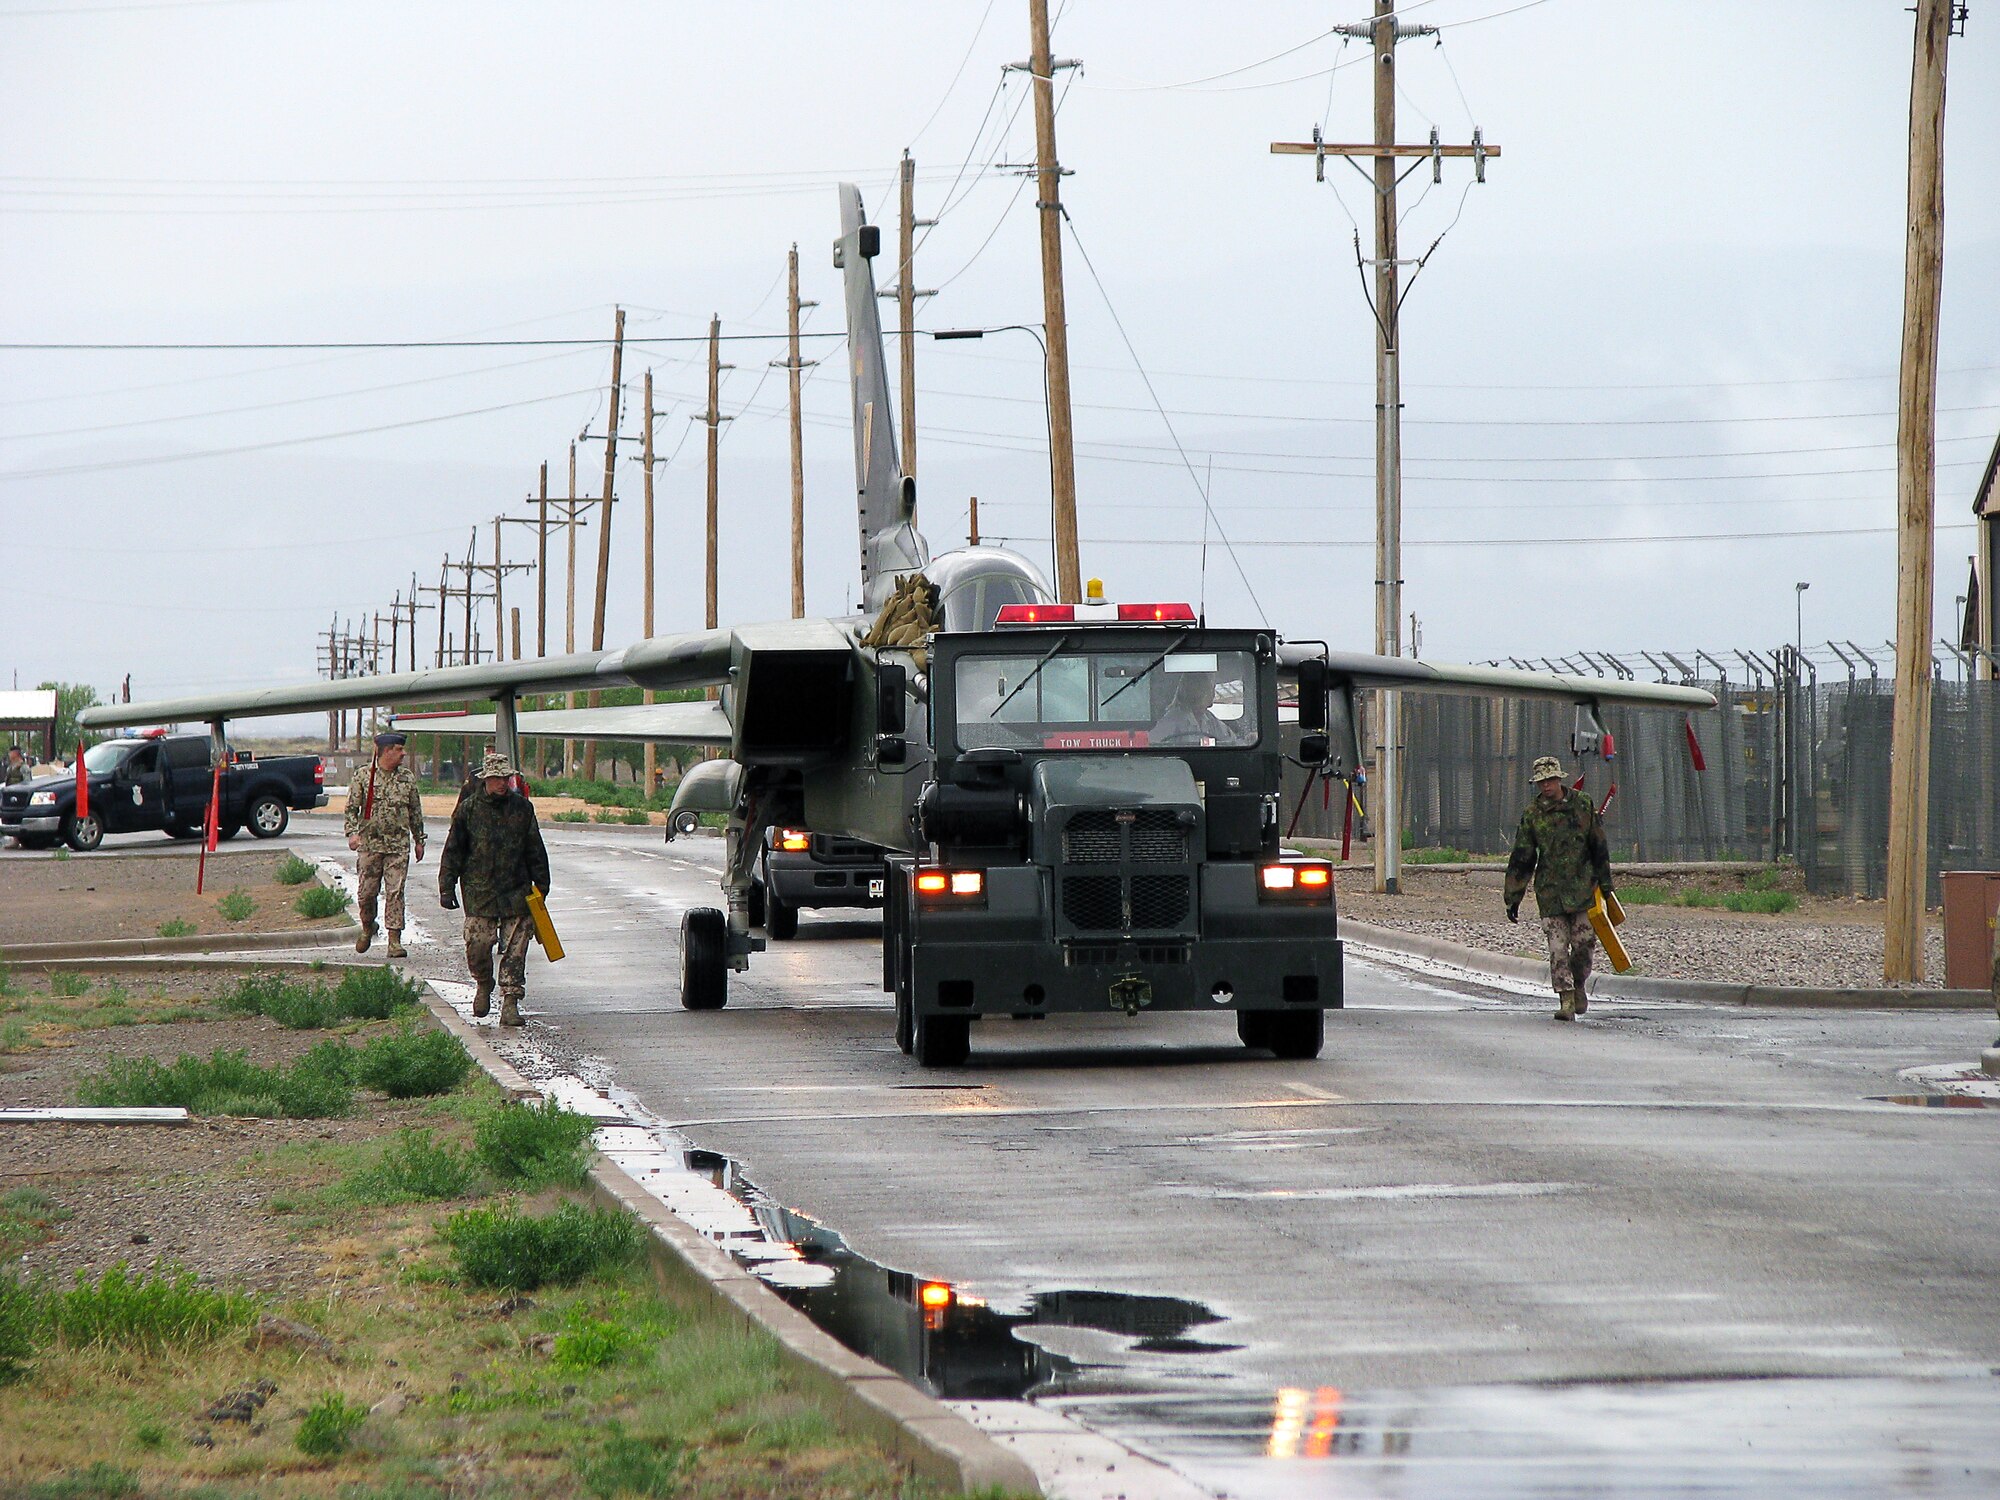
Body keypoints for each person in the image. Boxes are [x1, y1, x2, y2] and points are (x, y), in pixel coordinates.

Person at [438, 751, 549, 1026]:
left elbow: (534, 847)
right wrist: (447, 886)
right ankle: (484, 983)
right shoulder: (469, 810)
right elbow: (453, 850)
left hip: (516, 890)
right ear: (486, 779)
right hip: (480, 890)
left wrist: (542, 884)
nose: (502, 783)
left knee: (515, 950)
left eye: (506, 778)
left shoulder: (522, 809)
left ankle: (511, 1002)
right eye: (497, 778)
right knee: (478, 945)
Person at [1503, 755, 1614, 1022]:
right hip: (1551, 891)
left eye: (1550, 780)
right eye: (1541, 782)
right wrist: (1513, 897)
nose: (1546, 786)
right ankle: (1565, 999)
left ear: (1559, 778)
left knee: (1584, 944)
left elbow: (1598, 845)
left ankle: (1578, 985)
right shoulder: (1532, 814)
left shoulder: (1582, 804)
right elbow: (1522, 856)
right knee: (1557, 947)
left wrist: (1606, 884)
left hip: (1583, 888)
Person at [344, 731, 426, 958]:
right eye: (399, 750)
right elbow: (351, 809)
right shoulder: (364, 777)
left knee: (395, 891)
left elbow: (415, 811)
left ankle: (394, 940)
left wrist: (419, 839)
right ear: (386, 751)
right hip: (370, 845)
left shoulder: (407, 778)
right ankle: (368, 926)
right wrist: (352, 834)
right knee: (367, 893)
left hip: (398, 846)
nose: (403, 754)